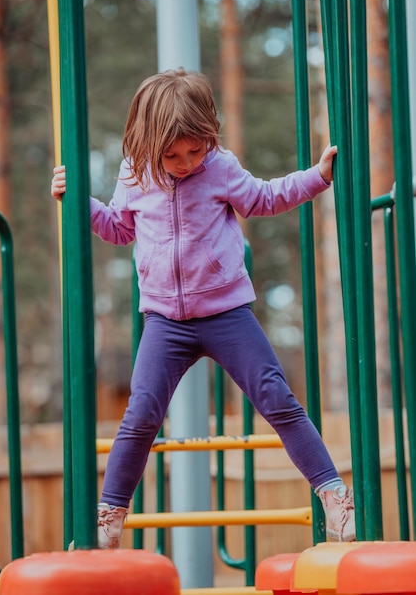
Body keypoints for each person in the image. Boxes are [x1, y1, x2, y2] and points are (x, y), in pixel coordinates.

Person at [51, 68, 355, 548]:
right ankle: (108, 517)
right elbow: (118, 228)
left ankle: (335, 495)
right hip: (164, 321)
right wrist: (77, 203)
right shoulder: (134, 173)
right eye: (172, 154)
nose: (185, 162)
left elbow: (264, 197)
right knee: (142, 412)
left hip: (226, 312)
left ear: (208, 138)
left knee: (276, 396)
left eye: (195, 150)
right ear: (147, 142)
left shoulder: (219, 166)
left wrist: (317, 178)